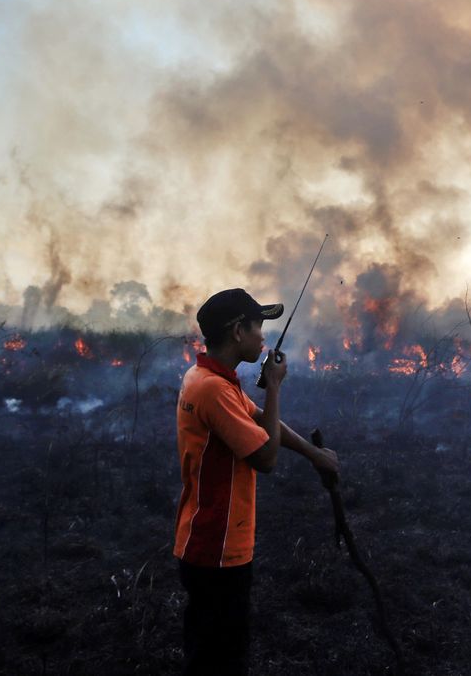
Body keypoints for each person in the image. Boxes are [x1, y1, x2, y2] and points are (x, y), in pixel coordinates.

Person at [173, 287, 339, 675]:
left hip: (204, 539)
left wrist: (315, 456)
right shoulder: (214, 390)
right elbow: (265, 457)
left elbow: (261, 418)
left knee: (209, 651)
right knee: (221, 660)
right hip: (217, 547)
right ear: (236, 332)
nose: (263, 337)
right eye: (258, 327)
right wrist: (277, 384)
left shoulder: (209, 378)